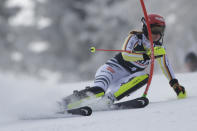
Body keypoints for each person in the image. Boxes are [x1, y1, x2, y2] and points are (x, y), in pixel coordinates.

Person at [63, 14, 186, 110]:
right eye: (154, 30)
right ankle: (65, 103)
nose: (157, 34)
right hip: (111, 70)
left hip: (126, 78)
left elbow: (165, 65)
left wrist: (175, 84)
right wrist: (145, 55)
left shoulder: (158, 48)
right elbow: (126, 55)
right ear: (146, 28)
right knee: (99, 90)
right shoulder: (134, 38)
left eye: (161, 30)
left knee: (144, 77)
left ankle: (108, 100)